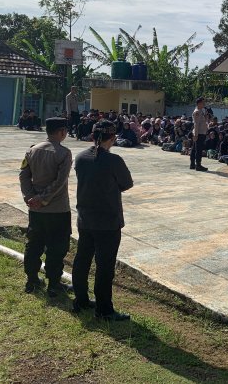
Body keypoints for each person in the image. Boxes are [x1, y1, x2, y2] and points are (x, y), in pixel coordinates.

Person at [72, 119, 134, 321]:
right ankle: (104, 309)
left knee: (82, 259)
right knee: (104, 266)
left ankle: (80, 299)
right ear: (113, 138)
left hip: (85, 218)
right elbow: (126, 184)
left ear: (92, 136)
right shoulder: (114, 161)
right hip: (107, 222)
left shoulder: (81, 158)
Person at [19, 117, 73, 296]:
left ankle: (32, 280)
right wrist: (43, 199)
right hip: (57, 209)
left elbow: (24, 176)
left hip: (35, 209)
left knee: (34, 244)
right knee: (57, 247)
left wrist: (30, 197)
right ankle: (54, 284)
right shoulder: (64, 153)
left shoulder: (32, 150)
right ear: (62, 132)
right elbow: (60, 182)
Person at [190, 97, 208, 171]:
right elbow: (196, 124)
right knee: (198, 149)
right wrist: (196, 135)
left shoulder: (201, 111)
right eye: (203, 102)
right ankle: (198, 165)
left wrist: (206, 116)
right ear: (199, 103)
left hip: (201, 132)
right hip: (199, 133)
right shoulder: (197, 112)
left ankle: (193, 164)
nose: (204, 104)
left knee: (195, 149)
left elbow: (204, 121)